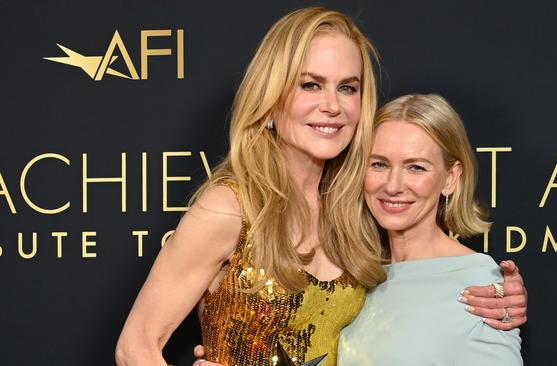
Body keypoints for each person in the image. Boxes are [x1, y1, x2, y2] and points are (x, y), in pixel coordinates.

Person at [116, 8, 527, 366]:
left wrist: (500, 294)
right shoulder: (231, 207)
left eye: (347, 87)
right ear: (272, 96)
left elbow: (419, 289)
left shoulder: (357, 209)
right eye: (310, 84)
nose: (332, 104)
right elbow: (135, 348)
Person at [337, 94, 523, 365]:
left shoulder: (480, 287)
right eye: (379, 164)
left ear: (450, 178)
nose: (392, 185)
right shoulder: (355, 272)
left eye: (416, 167)